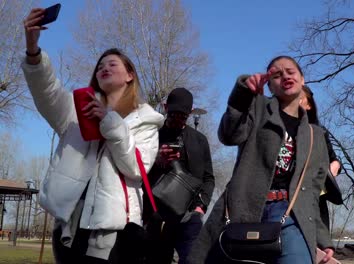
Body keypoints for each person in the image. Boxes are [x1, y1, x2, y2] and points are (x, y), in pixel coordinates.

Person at [22, 8, 164, 264]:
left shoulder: (145, 120)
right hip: (69, 224)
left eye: (112, 63)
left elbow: (135, 168)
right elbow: (47, 91)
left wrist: (109, 120)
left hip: (113, 230)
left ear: (129, 75)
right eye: (100, 65)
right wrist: (33, 51)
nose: (104, 67)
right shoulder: (75, 109)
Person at [188, 56, 335, 264]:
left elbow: (312, 190)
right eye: (276, 74)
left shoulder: (315, 135)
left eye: (290, 71)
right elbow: (229, 135)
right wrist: (243, 94)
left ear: (302, 79)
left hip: (292, 216)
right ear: (270, 86)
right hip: (244, 210)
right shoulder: (257, 108)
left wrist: (321, 237)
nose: (284, 75)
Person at [143, 87, 215, 264]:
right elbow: (138, 175)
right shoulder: (152, 137)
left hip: (190, 217)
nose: (177, 120)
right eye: (173, 114)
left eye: (183, 116)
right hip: (157, 217)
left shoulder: (199, 140)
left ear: (190, 113)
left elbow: (208, 178)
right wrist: (157, 161)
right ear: (165, 108)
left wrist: (201, 207)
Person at [300, 85, 344, 229]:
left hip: (317, 198)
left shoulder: (319, 132)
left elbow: (333, 158)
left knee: (320, 245)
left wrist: (336, 165)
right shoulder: (279, 131)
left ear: (309, 105)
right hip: (288, 199)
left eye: (299, 98)